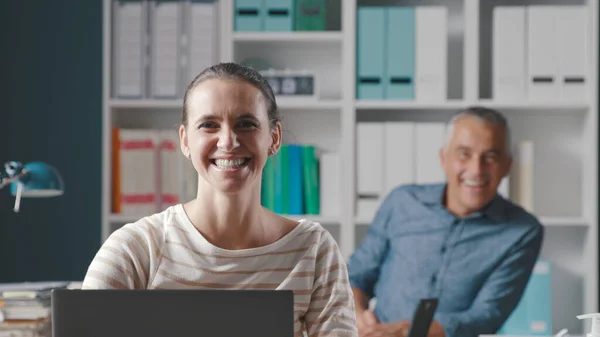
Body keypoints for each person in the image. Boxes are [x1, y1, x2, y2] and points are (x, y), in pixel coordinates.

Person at [82, 62, 358, 337]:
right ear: (185, 141)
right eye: (209, 125)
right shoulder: (134, 249)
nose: (228, 141)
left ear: (274, 139)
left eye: (246, 124)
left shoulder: (314, 249)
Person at [347, 107, 544, 337]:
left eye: (490, 157)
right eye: (464, 154)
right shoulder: (402, 201)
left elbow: (487, 313)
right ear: (443, 159)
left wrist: (404, 331)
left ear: (507, 166)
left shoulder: (523, 231)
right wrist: (358, 315)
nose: (476, 170)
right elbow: (357, 274)